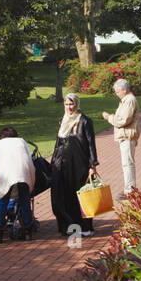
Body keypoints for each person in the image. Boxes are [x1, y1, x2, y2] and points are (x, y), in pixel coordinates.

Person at [51, 93, 99, 237]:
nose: (69, 107)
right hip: (63, 163)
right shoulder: (63, 120)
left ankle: (85, 227)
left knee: (81, 195)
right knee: (64, 194)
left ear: (77, 104)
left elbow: (91, 144)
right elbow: (58, 143)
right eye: (66, 104)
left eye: (71, 104)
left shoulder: (84, 120)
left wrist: (93, 165)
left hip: (79, 165)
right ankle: (68, 226)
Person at [0, 125, 37, 243]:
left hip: (6, 174)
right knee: (24, 200)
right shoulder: (21, 141)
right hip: (24, 173)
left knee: (3, 201)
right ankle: (27, 230)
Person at [102, 78, 141, 198]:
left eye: (117, 91)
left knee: (128, 164)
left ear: (124, 90)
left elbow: (123, 120)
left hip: (127, 135)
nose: (116, 94)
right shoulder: (126, 100)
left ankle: (130, 191)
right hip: (125, 135)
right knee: (127, 163)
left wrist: (109, 117)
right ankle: (129, 188)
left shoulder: (129, 100)